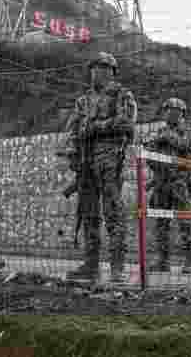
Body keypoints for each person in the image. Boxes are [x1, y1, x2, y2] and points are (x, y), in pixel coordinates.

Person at [64, 52, 138, 284]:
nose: (98, 72)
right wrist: (73, 154)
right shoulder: (83, 101)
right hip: (86, 160)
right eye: (95, 68)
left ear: (112, 72)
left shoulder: (121, 95)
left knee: (113, 212)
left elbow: (126, 122)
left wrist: (96, 126)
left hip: (110, 157)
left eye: (104, 68)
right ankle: (91, 264)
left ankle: (118, 267)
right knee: (89, 215)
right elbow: (73, 130)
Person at [145, 97, 191, 274]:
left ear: (182, 114)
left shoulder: (187, 132)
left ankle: (190, 260)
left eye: (176, 111)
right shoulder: (159, 132)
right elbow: (150, 156)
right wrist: (151, 151)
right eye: (168, 110)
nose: (171, 114)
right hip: (161, 182)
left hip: (180, 182)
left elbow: (186, 146)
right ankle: (163, 260)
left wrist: (166, 137)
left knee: (185, 221)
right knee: (161, 223)